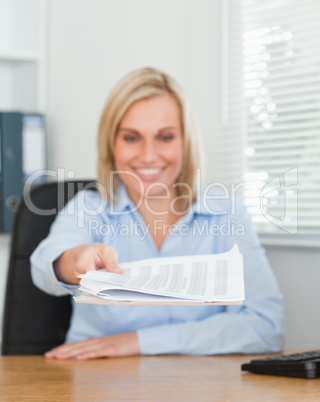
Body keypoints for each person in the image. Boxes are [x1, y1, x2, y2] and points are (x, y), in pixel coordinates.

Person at [31, 67, 284, 360]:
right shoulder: (89, 209)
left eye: (165, 137)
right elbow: (42, 266)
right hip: (101, 383)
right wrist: (74, 261)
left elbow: (266, 327)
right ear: (111, 144)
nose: (149, 155)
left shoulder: (227, 215)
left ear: (186, 142)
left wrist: (135, 342)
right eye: (131, 138)